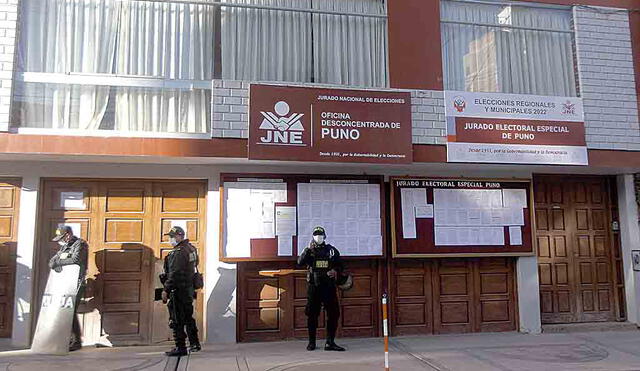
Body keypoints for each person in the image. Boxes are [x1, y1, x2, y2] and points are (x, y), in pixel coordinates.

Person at [297, 226, 345, 352]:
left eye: (320, 234)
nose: (318, 237)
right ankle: (311, 342)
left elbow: (340, 265)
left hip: (328, 286)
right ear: (313, 236)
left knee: (334, 313)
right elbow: (300, 262)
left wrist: (335, 271)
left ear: (324, 236)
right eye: (316, 234)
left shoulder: (331, 250)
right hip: (314, 287)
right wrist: (308, 250)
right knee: (312, 315)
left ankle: (330, 342)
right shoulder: (309, 251)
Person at [161, 226, 201, 357]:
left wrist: (166, 289)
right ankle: (195, 343)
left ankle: (180, 347)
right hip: (188, 288)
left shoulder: (178, 252)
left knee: (176, 319)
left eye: (172, 237)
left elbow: (175, 273)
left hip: (178, 290)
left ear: (179, 236)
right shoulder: (191, 248)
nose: (170, 239)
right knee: (188, 317)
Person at [49, 225, 88, 352]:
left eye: (62, 237)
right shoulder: (64, 247)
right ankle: (69, 339)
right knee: (66, 311)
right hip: (65, 283)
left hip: (77, 283)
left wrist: (58, 263)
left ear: (68, 234)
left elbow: (76, 259)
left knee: (70, 312)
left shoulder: (80, 244)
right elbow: (52, 262)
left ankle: (76, 341)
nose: (61, 241)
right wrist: (56, 264)